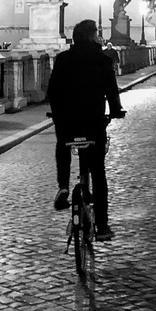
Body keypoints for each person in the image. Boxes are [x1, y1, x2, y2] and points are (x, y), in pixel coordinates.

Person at [46, 19, 126, 241]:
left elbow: (52, 91)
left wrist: (57, 113)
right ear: (92, 37)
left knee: (63, 144)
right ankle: (101, 226)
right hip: (93, 121)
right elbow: (111, 91)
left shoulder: (63, 59)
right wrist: (116, 110)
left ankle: (63, 187)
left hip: (67, 120)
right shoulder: (102, 60)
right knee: (98, 171)